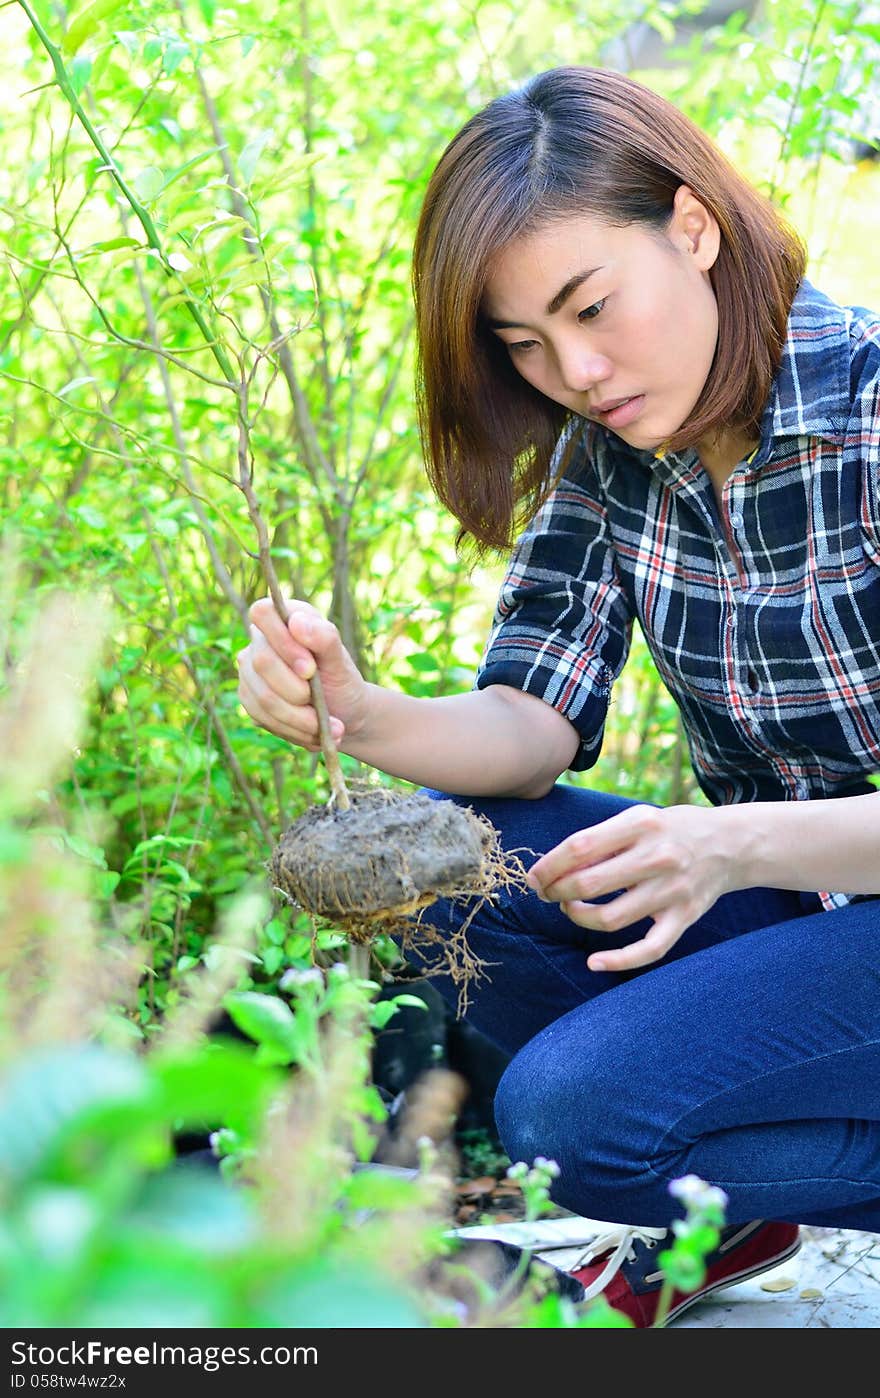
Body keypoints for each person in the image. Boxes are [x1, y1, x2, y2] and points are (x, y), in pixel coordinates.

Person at [236, 66, 880, 1326]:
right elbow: (529, 725)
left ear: (691, 228)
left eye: (590, 308)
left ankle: (713, 1171)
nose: (573, 371)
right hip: (813, 916)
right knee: (439, 868)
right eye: (523, 345)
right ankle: (738, 1206)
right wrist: (356, 712)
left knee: (571, 1116)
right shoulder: (621, 452)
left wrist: (727, 840)